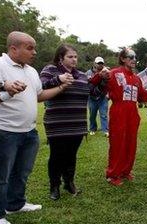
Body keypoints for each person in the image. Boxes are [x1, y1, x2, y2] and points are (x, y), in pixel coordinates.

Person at [0, 32, 68, 224]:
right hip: (3, 131)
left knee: (22, 172)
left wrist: (61, 87)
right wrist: (7, 91)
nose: (34, 52)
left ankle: (15, 204)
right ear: (13, 48)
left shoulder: (31, 71)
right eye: (29, 48)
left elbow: (38, 95)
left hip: (29, 131)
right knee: (0, 175)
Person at [103, 48, 147, 186]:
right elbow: (100, 86)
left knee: (131, 143)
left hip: (132, 114)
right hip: (118, 112)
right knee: (117, 144)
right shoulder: (113, 73)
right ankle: (112, 174)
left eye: (135, 57)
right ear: (123, 58)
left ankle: (125, 171)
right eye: (131, 57)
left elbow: (142, 97)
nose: (134, 59)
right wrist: (101, 75)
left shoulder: (136, 78)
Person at [40, 44, 89, 200]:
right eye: (70, 57)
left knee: (71, 155)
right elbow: (39, 87)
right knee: (56, 156)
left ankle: (69, 183)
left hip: (77, 123)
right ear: (61, 58)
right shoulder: (50, 70)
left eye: (75, 57)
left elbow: (93, 92)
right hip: (57, 123)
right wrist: (58, 80)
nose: (74, 60)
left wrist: (101, 81)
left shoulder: (81, 75)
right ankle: (54, 186)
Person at [86, 56, 110, 137]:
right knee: (92, 115)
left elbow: (109, 84)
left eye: (101, 63)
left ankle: (105, 130)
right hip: (92, 97)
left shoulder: (107, 72)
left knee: (103, 114)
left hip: (103, 97)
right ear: (94, 63)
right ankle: (92, 129)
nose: (100, 65)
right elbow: (88, 84)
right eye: (98, 63)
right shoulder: (88, 73)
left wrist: (108, 94)